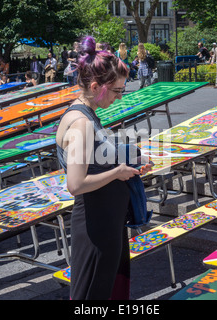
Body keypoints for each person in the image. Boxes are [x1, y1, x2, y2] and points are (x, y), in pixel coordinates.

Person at [55, 35, 152, 300]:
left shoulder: (85, 113)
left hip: (105, 220)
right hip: (96, 224)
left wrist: (132, 159)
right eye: (117, 91)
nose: (120, 98)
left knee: (107, 291)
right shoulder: (82, 123)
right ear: (97, 85)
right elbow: (75, 184)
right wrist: (118, 173)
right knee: (93, 295)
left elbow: (95, 157)